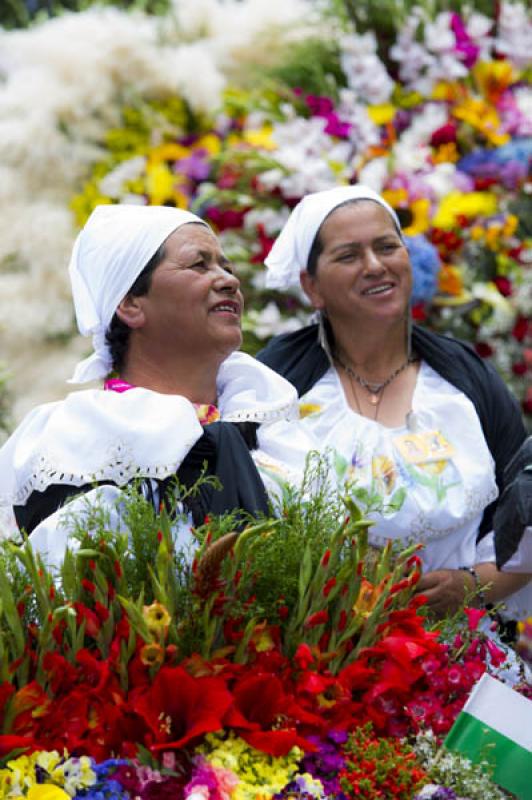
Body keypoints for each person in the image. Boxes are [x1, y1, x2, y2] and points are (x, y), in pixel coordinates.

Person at [257, 184, 531, 622]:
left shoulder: (464, 378)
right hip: (320, 649)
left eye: (387, 247)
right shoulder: (276, 383)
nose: (374, 265)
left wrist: (472, 585)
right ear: (312, 287)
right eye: (348, 256)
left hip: (467, 653)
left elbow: (525, 515)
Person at [0, 204, 298, 564]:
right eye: (198, 265)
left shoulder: (273, 433)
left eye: (226, 266)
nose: (229, 280)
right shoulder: (72, 441)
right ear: (129, 305)